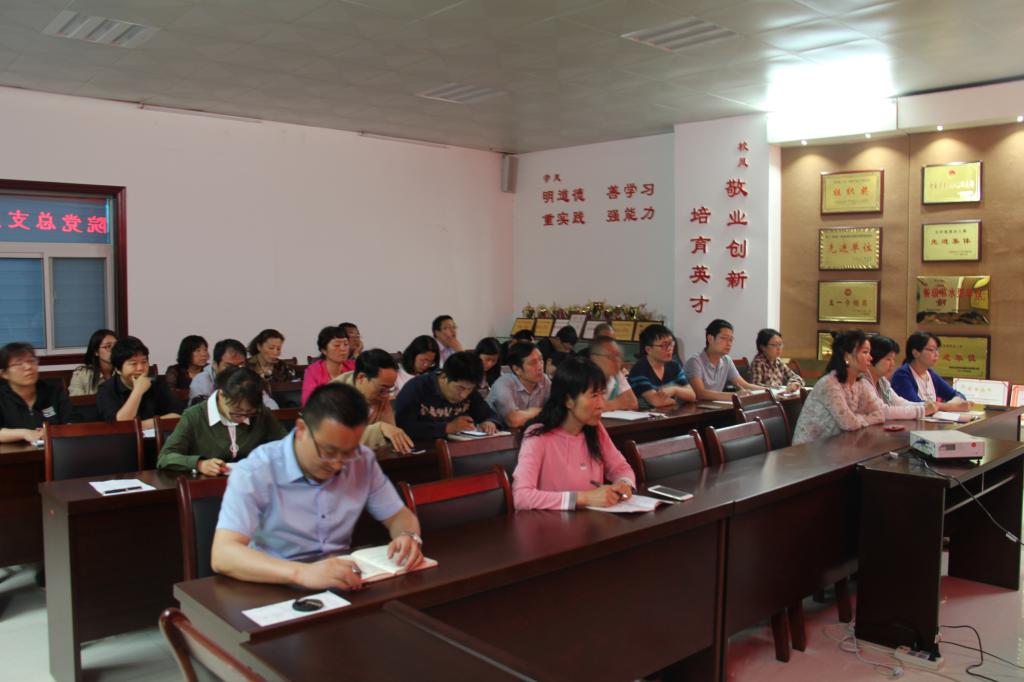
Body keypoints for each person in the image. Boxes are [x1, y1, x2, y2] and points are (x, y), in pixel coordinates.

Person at [211, 383, 423, 590]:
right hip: (273, 584)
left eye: (348, 452)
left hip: (340, 581)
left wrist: (407, 536)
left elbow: (399, 516)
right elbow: (223, 554)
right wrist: (302, 573)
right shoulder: (257, 469)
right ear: (301, 429)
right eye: (328, 451)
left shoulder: (362, 460)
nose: (337, 464)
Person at [512, 357, 636, 511]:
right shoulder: (538, 436)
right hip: (551, 522)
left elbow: (620, 467)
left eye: (602, 394)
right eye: (593, 396)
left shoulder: (595, 429)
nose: (601, 405)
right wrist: (584, 498)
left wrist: (624, 483)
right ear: (568, 401)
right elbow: (521, 497)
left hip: (592, 521)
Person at [156, 366, 287, 474]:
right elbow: (165, 457)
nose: (243, 418)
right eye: (237, 412)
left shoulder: (260, 413)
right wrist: (200, 464)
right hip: (207, 488)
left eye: (249, 413)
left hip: (252, 484)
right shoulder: (194, 416)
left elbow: (286, 445)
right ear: (221, 395)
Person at [792, 330, 886, 444]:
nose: (870, 357)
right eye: (865, 352)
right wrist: (863, 418)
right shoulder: (829, 384)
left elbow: (880, 414)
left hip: (838, 445)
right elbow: (849, 424)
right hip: (810, 449)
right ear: (847, 356)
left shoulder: (860, 383)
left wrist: (858, 418)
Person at [394, 351, 500, 440]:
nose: (464, 395)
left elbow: (489, 414)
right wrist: (447, 428)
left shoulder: (469, 391)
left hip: (458, 450)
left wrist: (490, 422)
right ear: (444, 377)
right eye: (460, 388)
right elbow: (403, 427)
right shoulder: (417, 388)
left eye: (470, 389)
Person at [330, 349, 414, 453]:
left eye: (390, 389)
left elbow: (391, 432)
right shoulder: (333, 395)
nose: (386, 395)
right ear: (361, 378)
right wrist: (380, 429)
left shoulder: (380, 393)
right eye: (382, 389)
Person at [96, 336, 180, 427]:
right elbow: (120, 426)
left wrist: (141, 425)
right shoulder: (106, 390)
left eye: (144, 362)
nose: (140, 368)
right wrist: (138, 391)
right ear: (118, 369)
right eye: (133, 364)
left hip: (156, 435)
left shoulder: (156, 384)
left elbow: (178, 415)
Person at [0, 342, 72, 443]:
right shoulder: (2, 397)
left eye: (31, 361)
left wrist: (51, 431)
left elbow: (72, 422)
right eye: (19, 364)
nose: (28, 367)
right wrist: (25, 433)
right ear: (4, 374)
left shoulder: (54, 392)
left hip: (55, 450)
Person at [685, 319, 763, 401]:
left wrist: (768, 390)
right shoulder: (695, 362)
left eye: (731, 339)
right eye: (724, 338)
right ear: (710, 339)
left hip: (715, 406)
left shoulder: (726, 360)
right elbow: (700, 393)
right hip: (694, 407)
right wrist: (735, 395)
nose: (729, 343)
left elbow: (744, 385)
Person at [890, 332, 970, 411]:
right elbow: (917, 406)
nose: (936, 354)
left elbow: (958, 395)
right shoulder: (902, 375)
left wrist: (949, 405)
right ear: (915, 353)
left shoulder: (930, 373)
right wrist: (951, 407)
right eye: (931, 350)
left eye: (937, 350)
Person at [189, 339, 278, 409]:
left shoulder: (247, 377)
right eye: (229, 366)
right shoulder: (202, 380)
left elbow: (270, 404)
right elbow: (202, 411)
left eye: (240, 365)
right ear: (215, 365)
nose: (235, 371)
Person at [867, 335, 936, 420]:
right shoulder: (863, 381)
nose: (892, 364)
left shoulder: (882, 381)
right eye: (888, 359)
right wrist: (921, 410)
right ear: (872, 359)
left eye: (893, 359)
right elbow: (882, 411)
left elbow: (897, 402)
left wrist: (924, 405)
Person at [627, 324, 695, 408]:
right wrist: (676, 401)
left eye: (671, 344)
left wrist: (675, 390)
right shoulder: (639, 370)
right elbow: (657, 402)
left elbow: (692, 395)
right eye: (664, 345)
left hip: (668, 414)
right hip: (645, 415)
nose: (670, 349)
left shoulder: (674, 366)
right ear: (649, 350)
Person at [486, 341, 551, 428]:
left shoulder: (544, 381)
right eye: (533, 363)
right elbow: (513, 421)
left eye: (541, 360)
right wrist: (542, 411)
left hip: (526, 433)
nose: (540, 367)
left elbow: (558, 409)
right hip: (496, 433)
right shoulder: (503, 384)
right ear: (517, 369)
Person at [301, 326, 354, 406]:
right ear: (323, 350)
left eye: (346, 344)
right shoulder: (313, 371)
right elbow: (308, 402)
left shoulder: (354, 366)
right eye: (337, 345)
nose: (343, 349)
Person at [587, 336, 639, 411]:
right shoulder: (584, 377)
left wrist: (607, 405)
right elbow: (589, 409)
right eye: (610, 357)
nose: (617, 361)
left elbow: (633, 403)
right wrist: (617, 403)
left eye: (618, 356)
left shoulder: (617, 375)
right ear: (594, 358)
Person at [69, 329, 118, 396]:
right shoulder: (82, 374)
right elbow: (76, 400)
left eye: (116, 346)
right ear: (96, 352)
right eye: (108, 346)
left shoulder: (123, 371)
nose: (114, 350)